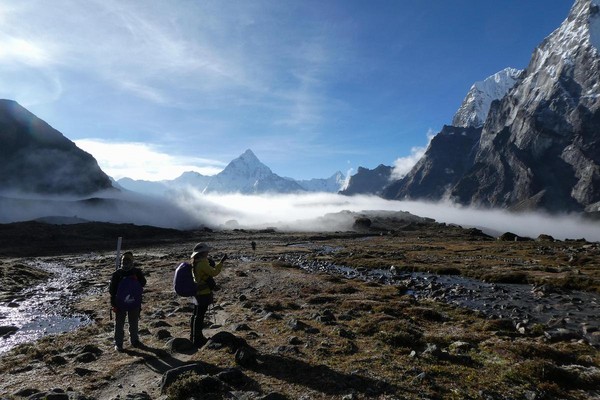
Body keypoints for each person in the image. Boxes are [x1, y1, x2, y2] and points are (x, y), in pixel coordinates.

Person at [189, 242, 226, 347]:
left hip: (197, 293)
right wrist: (221, 262)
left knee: (196, 314)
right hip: (203, 293)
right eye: (206, 251)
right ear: (202, 252)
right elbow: (213, 273)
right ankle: (198, 339)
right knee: (200, 315)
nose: (208, 252)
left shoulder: (195, 262)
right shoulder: (202, 263)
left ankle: (193, 336)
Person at [109, 251, 147, 352]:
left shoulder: (135, 272)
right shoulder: (118, 274)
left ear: (131, 261)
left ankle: (132, 341)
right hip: (122, 302)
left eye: (127, 260)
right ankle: (121, 343)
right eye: (124, 260)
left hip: (132, 301)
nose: (125, 262)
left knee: (131, 322)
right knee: (121, 323)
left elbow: (143, 283)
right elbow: (112, 291)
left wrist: (136, 280)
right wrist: (113, 303)